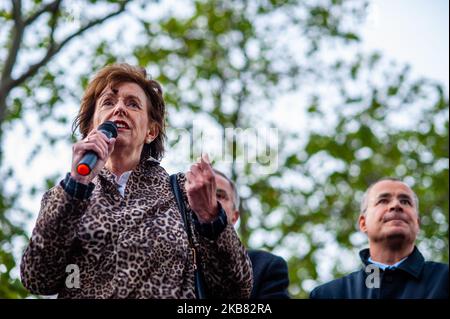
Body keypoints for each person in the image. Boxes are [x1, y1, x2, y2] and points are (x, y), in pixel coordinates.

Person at [20, 63, 253, 299]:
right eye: (108, 102)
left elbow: (237, 289)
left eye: (133, 104)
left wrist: (210, 217)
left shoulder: (183, 193)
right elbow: (38, 279)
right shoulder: (64, 195)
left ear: (151, 131)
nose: (120, 108)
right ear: (92, 125)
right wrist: (75, 186)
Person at [310, 177, 448, 299]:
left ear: (417, 224)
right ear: (363, 223)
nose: (396, 205)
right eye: (383, 200)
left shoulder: (444, 281)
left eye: (405, 201)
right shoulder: (329, 294)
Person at [213, 169, 290, 299]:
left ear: (235, 216)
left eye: (219, 195)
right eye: (199, 194)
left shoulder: (265, 267)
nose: (209, 201)